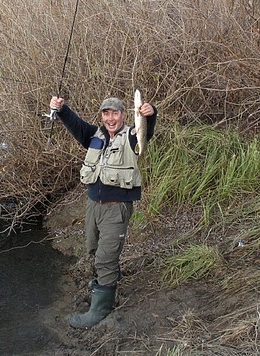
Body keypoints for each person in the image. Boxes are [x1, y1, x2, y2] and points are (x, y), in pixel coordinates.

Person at [49, 94, 157, 329]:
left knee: (105, 258)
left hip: (116, 208)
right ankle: (108, 279)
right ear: (102, 116)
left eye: (115, 113)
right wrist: (61, 109)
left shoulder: (131, 136)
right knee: (93, 248)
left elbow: (145, 133)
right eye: (106, 113)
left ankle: (101, 309)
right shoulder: (94, 135)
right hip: (93, 206)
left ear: (124, 115)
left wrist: (150, 114)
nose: (110, 118)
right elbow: (75, 124)